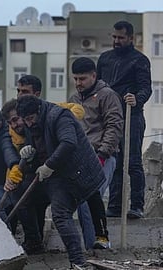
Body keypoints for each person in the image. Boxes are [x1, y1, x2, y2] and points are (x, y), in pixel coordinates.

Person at [15, 95, 108, 268]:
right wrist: (27, 152)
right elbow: (36, 143)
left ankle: (78, 262)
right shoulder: (30, 123)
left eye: (30, 119)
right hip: (50, 174)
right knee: (22, 198)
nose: (28, 123)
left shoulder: (59, 116)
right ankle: (34, 243)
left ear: (39, 111)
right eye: (25, 120)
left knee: (60, 214)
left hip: (71, 174)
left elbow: (68, 143)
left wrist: (49, 165)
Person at [97, 20, 153, 219]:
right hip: (110, 119)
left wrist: (136, 98)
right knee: (114, 161)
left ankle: (137, 206)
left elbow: (146, 88)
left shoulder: (140, 60)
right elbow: (98, 87)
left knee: (133, 162)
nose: (116, 41)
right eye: (114, 37)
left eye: (121, 37)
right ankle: (114, 206)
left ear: (131, 38)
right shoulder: (104, 59)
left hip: (132, 116)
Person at [69, 57, 124, 249]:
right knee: (82, 202)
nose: (78, 83)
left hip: (103, 157)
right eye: (75, 78)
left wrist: (102, 154)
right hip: (79, 160)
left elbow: (114, 126)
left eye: (82, 79)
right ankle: (91, 245)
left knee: (88, 200)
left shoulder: (107, 95)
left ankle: (98, 244)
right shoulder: (74, 99)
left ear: (94, 76)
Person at [1, 99, 49, 254]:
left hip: (49, 173)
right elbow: (9, 153)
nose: (15, 125)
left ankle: (35, 240)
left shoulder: (36, 127)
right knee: (21, 195)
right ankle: (34, 240)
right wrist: (12, 177)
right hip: (30, 176)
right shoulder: (11, 135)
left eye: (16, 119)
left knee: (33, 202)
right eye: (10, 122)